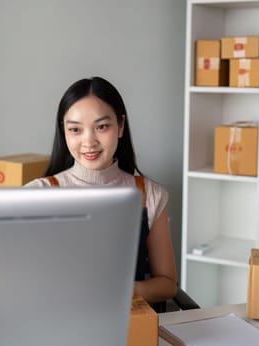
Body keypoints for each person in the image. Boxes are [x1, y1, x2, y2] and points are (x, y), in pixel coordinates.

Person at [24, 76, 177, 308]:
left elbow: (167, 284)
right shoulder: (38, 194)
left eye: (102, 127)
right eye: (75, 129)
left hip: (130, 326)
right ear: (63, 132)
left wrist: (124, 290)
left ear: (121, 126)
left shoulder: (149, 194)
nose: (89, 141)